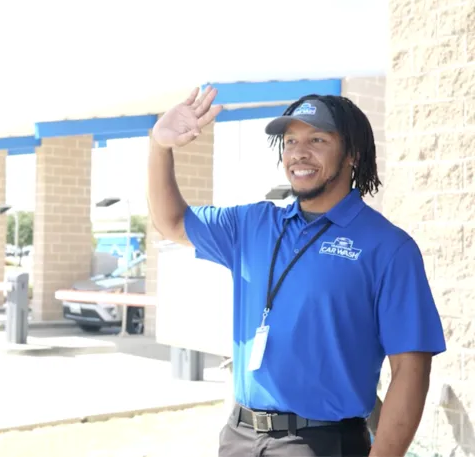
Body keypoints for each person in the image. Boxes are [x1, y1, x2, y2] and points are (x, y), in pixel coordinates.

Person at [147, 86, 446, 457]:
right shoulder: (252, 224)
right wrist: (160, 147)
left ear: (352, 153)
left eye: (317, 139)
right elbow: (172, 222)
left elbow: (411, 372)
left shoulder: (388, 247)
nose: (299, 153)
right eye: (290, 141)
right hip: (239, 436)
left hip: (320, 443)